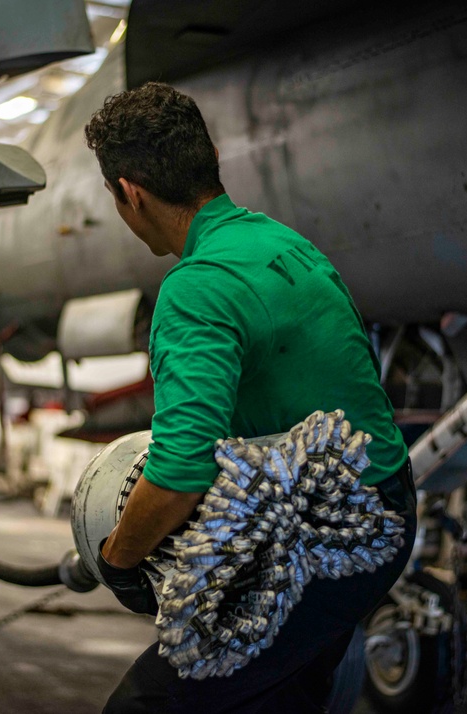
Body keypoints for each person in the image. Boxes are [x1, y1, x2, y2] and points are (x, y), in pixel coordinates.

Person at [84, 83, 417, 712]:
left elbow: (182, 472)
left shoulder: (197, 287)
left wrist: (119, 557)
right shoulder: (286, 244)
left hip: (333, 536)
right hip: (386, 504)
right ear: (210, 154)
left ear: (129, 193)